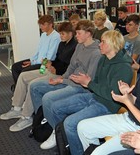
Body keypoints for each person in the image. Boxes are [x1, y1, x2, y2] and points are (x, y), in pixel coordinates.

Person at [33, 30, 133, 155]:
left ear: (113, 44)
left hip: (106, 105)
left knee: (70, 124)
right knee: (55, 107)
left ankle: (77, 150)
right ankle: (66, 138)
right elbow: (95, 82)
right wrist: (87, 82)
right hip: (94, 97)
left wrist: (88, 83)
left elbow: (112, 95)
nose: (99, 45)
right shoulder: (104, 59)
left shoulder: (123, 67)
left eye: (103, 42)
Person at [77, 48, 140, 155]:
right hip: (127, 118)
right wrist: (127, 94)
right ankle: (91, 151)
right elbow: (135, 100)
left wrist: (126, 101)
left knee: (98, 153)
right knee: (83, 127)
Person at [30, 19, 101, 149]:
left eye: (79, 33)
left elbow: (87, 81)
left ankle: (57, 132)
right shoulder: (80, 45)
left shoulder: (96, 53)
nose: (76, 36)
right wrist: (62, 77)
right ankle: (45, 121)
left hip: (80, 87)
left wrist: (63, 80)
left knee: (48, 98)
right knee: (35, 87)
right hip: (69, 80)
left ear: (89, 33)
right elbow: (72, 65)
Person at [0, 22, 77, 132]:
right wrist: (50, 64)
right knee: (23, 75)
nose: (61, 36)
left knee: (33, 84)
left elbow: (69, 66)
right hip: (49, 67)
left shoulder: (74, 46)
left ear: (71, 33)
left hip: (58, 73)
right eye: (60, 34)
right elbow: (54, 58)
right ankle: (16, 108)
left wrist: (54, 67)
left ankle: (26, 117)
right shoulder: (60, 43)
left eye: (63, 34)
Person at [11, 15, 61, 89]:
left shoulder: (56, 37)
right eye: (40, 25)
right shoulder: (43, 35)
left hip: (44, 64)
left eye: (43, 24)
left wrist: (35, 65)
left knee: (24, 73)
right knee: (15, 67)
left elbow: (50, 57)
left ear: (50, 24)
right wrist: (31, 61)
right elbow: (38, 51)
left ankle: (19, 90)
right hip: (37, 61)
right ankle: (18, 89)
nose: (41, 27)